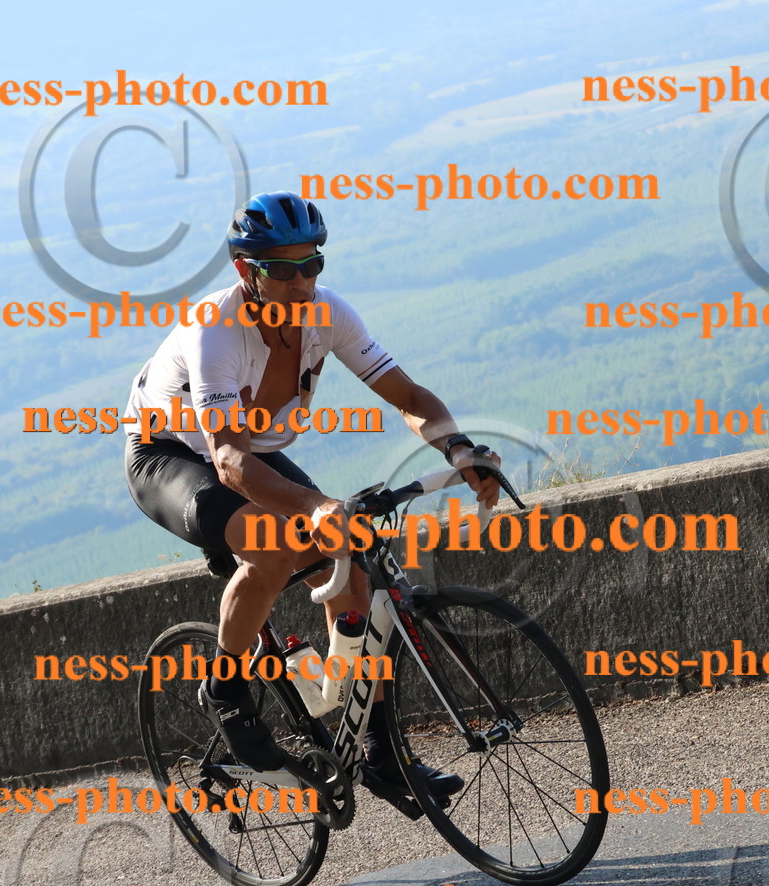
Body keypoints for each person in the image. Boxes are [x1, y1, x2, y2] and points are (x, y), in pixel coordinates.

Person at [122, 190, 499, 801]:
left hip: (252, 449)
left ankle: (379, 752)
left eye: (313, 263)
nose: (303, 281)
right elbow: (227, 460)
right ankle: (226, 690)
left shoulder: (330, 315)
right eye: (283, 269)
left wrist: (459, 448)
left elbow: (409, 397)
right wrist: (314, 506)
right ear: (248, 272)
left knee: (348, 566)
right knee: (273, 550)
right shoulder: (215, 328)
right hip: (171, 452)